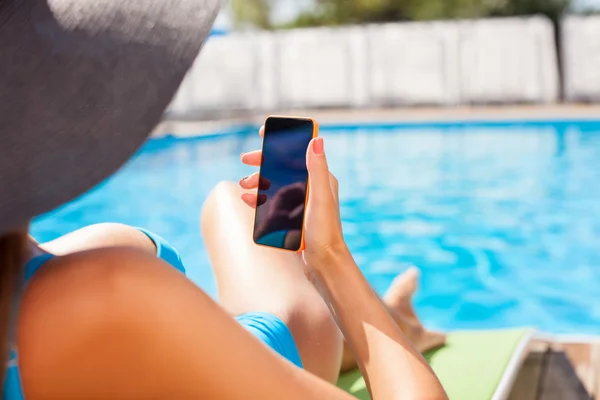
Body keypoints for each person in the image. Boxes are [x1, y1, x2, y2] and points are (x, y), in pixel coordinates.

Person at [0, 0, 448, 399]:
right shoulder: (100, 295)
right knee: (232, 201)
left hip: (165, 336)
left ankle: (398, 315)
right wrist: (330, 258)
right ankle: (401, 324)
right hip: (269, 346)